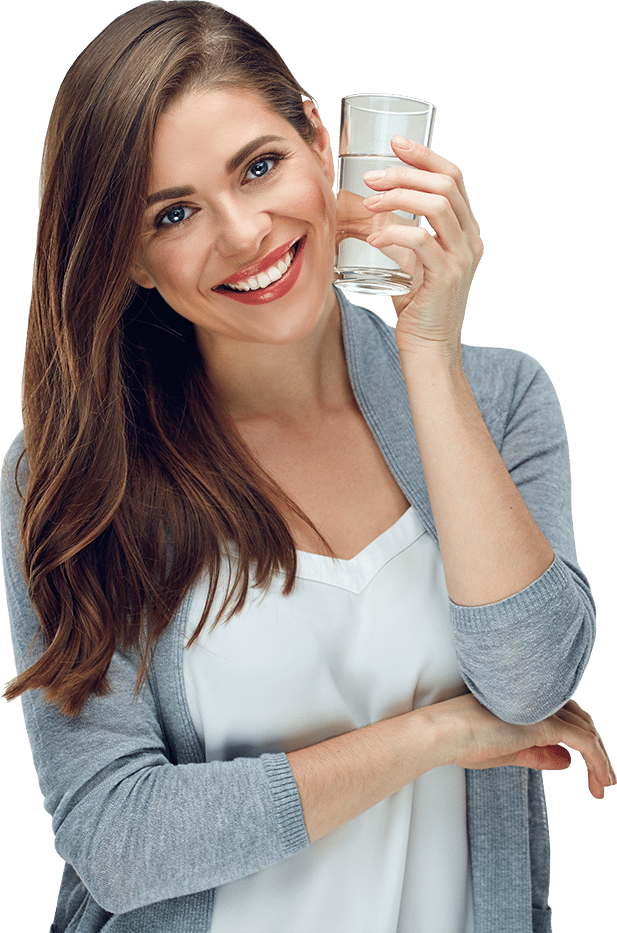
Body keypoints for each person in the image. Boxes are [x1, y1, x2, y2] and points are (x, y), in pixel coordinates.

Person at [1, 2, 614, 931]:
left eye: (259, 165)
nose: (244, 231)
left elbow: (529, 682)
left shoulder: (499, 397)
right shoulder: (82, 471)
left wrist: (430, 356)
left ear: (320, 140)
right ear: (130, 256)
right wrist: (434, 734)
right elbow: (118, 839)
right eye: (175, 212)